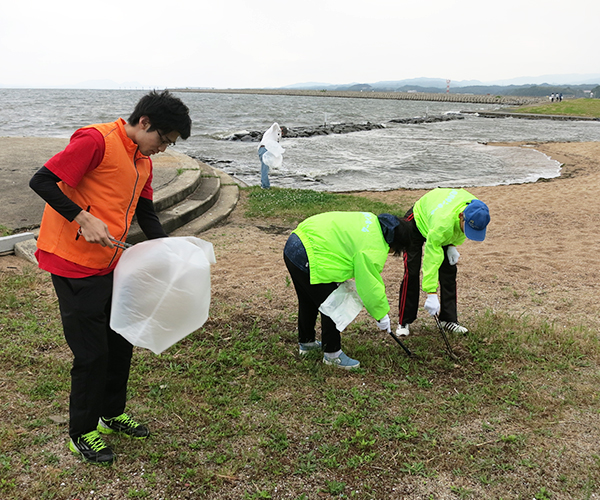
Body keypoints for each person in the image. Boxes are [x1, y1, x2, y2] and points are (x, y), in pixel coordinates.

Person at [29, 90, 192, 464]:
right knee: (91, 353)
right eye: (163, 140)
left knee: (120, 340)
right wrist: (81, 217)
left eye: (169, 144)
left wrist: (169, 251)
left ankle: (111, 413)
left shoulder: (142, 162)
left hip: (111, 263)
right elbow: (42, 181)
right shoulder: (96, 141)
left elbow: (147, 214)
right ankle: (82, 433)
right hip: (72, 262)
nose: (163, 149)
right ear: (144, 123)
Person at [284, 211, 412, 369]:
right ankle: (332, 356)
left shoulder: (371, 219)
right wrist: (381, 314)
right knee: (334, 303)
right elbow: (369, 285)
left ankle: (307, 343)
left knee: (308, 300)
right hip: (309, 254)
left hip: (295, 242)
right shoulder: (374, 247)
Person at [396, 188, 490, 337]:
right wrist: (431, 293)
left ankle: (448, 320)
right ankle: (404, 321)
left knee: (449, 271)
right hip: (418, 220)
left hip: (442, 219)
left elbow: (460, 231)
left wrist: (452, 246)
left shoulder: (477, 209)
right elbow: (431, 260)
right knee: (412, 271)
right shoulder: (442, 224)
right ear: (461, 216)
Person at [258, 123, 286, 189]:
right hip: (264, 149)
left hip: (264, 149)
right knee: (265, 168)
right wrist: (279, 130)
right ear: (281, 130)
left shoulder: (275, 137)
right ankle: (265, 186)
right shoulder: (273, 130)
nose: (282, 135)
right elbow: (275, 124)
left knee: (265, 168)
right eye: (283, 133)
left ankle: (264, 184)